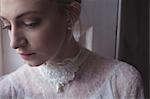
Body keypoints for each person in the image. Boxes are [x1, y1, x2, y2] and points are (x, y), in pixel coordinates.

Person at [0, 0, 144, 98]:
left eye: (30, 23)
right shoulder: (7, 91)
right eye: (7, 26)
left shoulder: (121, 83)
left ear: (70, 15)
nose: (14, 43)